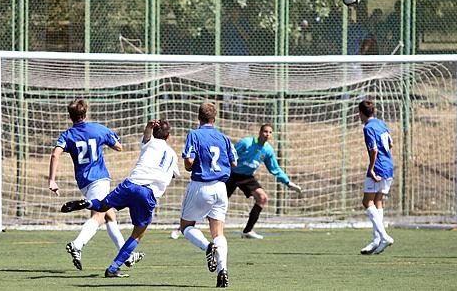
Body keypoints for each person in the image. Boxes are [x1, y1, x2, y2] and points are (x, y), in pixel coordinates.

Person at [61, 118, 179, 277]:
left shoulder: (149, 143)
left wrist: (148, 127)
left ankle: (88, 203)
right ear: (168, 136)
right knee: (137, 234)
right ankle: (113, 268)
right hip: (147, 194)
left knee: (103, 207)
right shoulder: (172, 155)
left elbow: (146, 136)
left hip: (130, 184)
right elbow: (173, 175)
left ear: (154, 132)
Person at [48, 98, 143, 270]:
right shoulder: (98, 129)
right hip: (99, 178)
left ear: (71, 116)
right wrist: (108, 140)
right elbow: (118, 147)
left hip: (83, 182)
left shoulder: (67, 135)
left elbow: (55, 155)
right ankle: (77, 244)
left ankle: (126, 256)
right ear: (85, 113)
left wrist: (52, 179)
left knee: (109, 215)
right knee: (99, 216)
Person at [179, 102, 237, 288]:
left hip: (201, 185)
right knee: (218, 231)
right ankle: (223, 271)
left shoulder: (194, 135)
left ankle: (207, 247)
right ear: (214, 118)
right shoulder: (224, 137)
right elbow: (234, 162)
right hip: (221, 187)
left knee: (186, 226)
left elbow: (189, 162)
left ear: (199, 117)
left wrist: (192, 165)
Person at [226, 124, 302, 240]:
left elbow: (274, 169)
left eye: (270, 132)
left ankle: (247, 231)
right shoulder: (246, 143)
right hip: (231, 174)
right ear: (260, 132)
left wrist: (287, 182)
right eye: (265, 131)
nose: (267, 134)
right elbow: (230, 155)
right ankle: (192, 222)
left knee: (262, 198)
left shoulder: (268, 150)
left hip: (247, 177)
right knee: (218, 202)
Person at [358, 99, 395, 255]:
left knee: (367, 201)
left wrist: (371, 169)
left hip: (378, 167)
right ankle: (376, 239)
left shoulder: (368, 128)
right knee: (378, 200)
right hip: (389, 165)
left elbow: (373, 150)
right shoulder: (381, 123)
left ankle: (384, 236)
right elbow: (391, 144)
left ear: (360, 113)